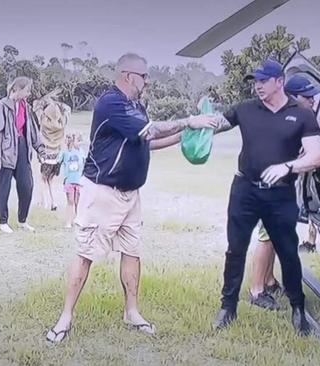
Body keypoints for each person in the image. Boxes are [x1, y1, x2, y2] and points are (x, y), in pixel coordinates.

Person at [45, 53, 217, 344]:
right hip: (102, 191)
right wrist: (189, 119)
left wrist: (187, 131)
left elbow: (148, 140)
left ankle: (132, 312)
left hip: (130, 194)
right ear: (127, 75)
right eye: (144, 76)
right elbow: (149, 130)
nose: (147, 81)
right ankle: (65, 317)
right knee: (86, 254)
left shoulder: (137, 106)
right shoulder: (111, 102)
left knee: (132, 251)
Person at [211, 60, 320, 335]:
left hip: (280, 194)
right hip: (245, 190)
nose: (258, 86)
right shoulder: (246, 109)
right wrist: (194, 123)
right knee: (235, 250)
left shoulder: (302, 114)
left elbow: (317, 156)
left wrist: (287, 166)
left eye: (263, 80)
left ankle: (298, 308)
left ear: (279, 81)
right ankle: (228, 307)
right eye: (255, 81)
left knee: (288, 253)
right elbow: (216, 124)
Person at [247, 74, 320, 311]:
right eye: (307, 97)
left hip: (281, 186)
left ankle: (268, 281)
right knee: (266, 239)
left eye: (313, 97)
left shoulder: (295, 117)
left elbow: (318, 125)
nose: (312, 102)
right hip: (270, 187)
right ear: (293, 97)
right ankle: (256, 291)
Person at [0, 77, 45, 234]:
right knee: (3, 188)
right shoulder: (3, 106)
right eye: (27, 90)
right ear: (17, 90)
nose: (29, 93)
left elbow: (32, 129)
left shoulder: (25, 106)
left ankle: (22, 220)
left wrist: (40, 148)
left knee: (27, 186)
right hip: (6, 150)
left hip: (22, 148)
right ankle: (3, 221)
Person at [35, 98, 71, 211]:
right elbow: (67, 109)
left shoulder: (44, 122)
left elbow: (36, 106)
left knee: (43, 179)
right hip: (57, 156)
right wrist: (58, 104)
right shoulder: (62, 122)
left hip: (46, 155)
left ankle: (45, 202)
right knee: (51, 179)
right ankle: (54, 201)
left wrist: (45, 101)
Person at [58, 132, 85, 228]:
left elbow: (85, 164)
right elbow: (58, 160)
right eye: (79, 140)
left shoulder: (81, 153)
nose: (81, 143)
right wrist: (62, 148)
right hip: (69, 181)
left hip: (79, 181)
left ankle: (77, 220)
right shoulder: (66, 153)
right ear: (73, 141)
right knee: (70, 202)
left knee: (78, 202)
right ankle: (68, 222)